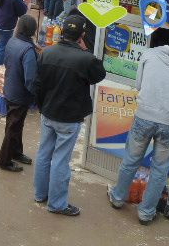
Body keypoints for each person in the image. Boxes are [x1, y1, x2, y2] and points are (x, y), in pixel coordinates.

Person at [108, 40, 169, 225]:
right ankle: (146, 213)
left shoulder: (148, 54)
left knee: (130, 161)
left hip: (143, 117)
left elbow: (138, 84)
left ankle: (118, 198)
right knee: (160, 169)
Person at [33, 15, 106, 216]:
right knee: (60, 160)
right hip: (69, 117)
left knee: (44, 153)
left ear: (63, 31)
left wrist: (42, 106)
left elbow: (37, 84)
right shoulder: (86, 58)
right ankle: (56, 204)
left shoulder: (47, 53)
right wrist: (84, 50)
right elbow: (99, 74)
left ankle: (40, 194)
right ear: (82, 35)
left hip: (48, 112)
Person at [0, 15, 38, 172]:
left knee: (16, 124)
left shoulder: (12, 41)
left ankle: (16, 152)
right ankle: (4, 160)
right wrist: (37, 95)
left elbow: (7, 63)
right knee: (13, 127)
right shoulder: (28, 50)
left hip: (9, 88)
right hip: (19, 95)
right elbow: (30, 79)